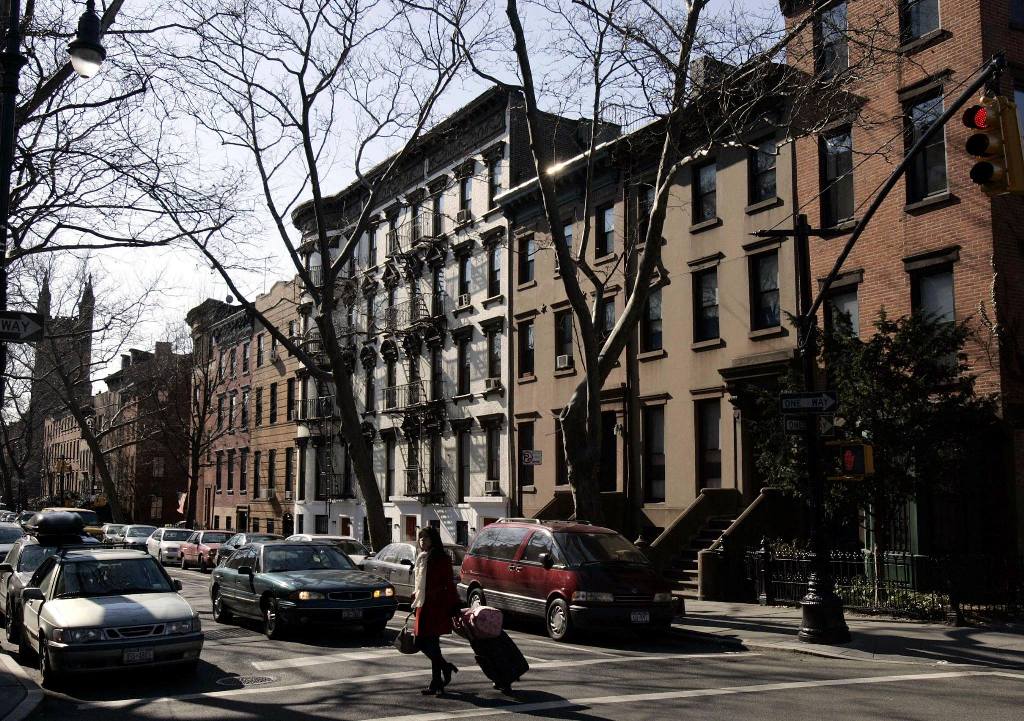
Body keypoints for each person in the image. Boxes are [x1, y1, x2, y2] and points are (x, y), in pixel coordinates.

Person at [411, 525, 459, 695]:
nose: (422, 541)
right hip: (422, 603)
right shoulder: (421, 557)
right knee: (420, 642)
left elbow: (448, 583)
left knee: (431, 643)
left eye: (426, 537)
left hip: (436, 605)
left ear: (433, 540)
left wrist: (454, 604)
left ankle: (436, 683)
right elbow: (419, 582)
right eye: (420, 537)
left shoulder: (441, 558)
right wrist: (415, 595)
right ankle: (445, 669)